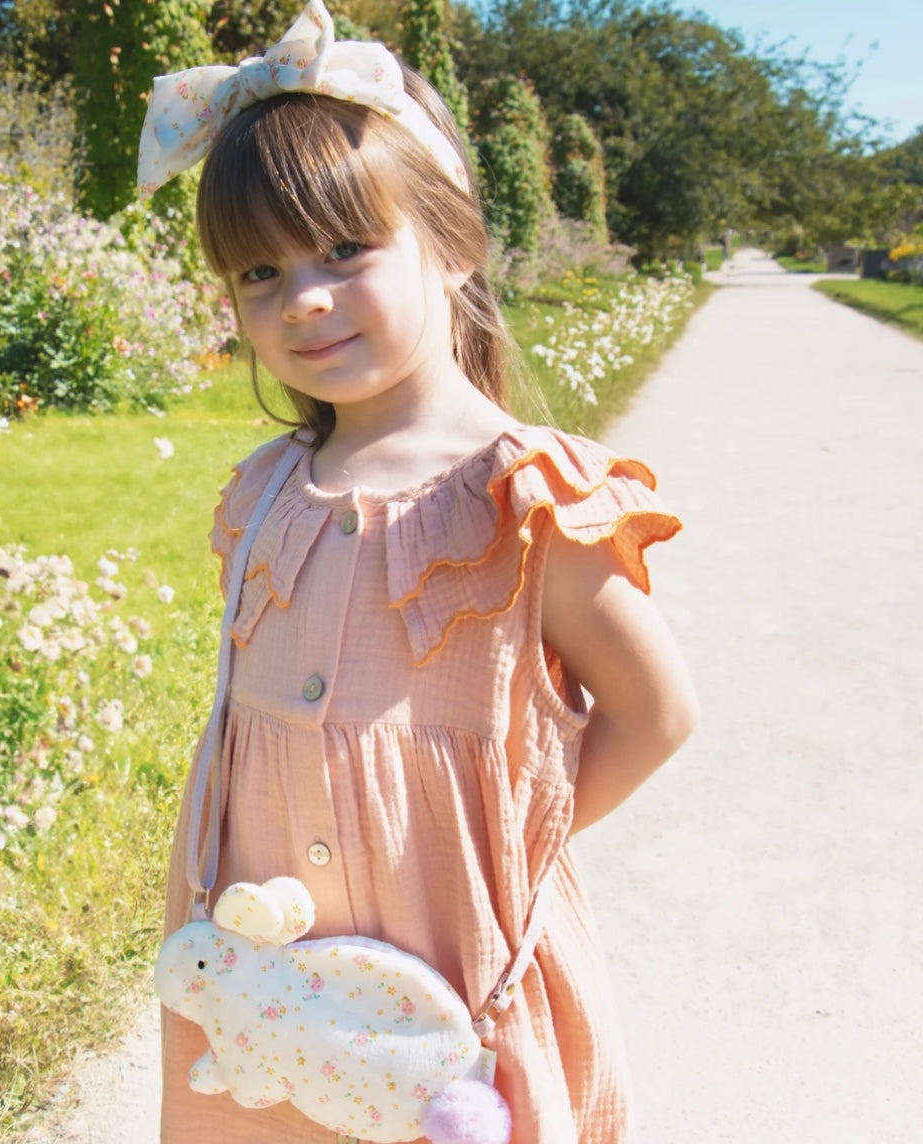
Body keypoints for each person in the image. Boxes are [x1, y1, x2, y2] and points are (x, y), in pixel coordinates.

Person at [138, 4, 698, 1141]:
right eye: (259, 272)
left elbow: (655, 712)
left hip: (453, 985)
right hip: (272, 986)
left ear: (451, 246)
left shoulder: (526, 499)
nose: (301, 297)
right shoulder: (266, 494)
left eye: (346, 250)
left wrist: (497, 852)